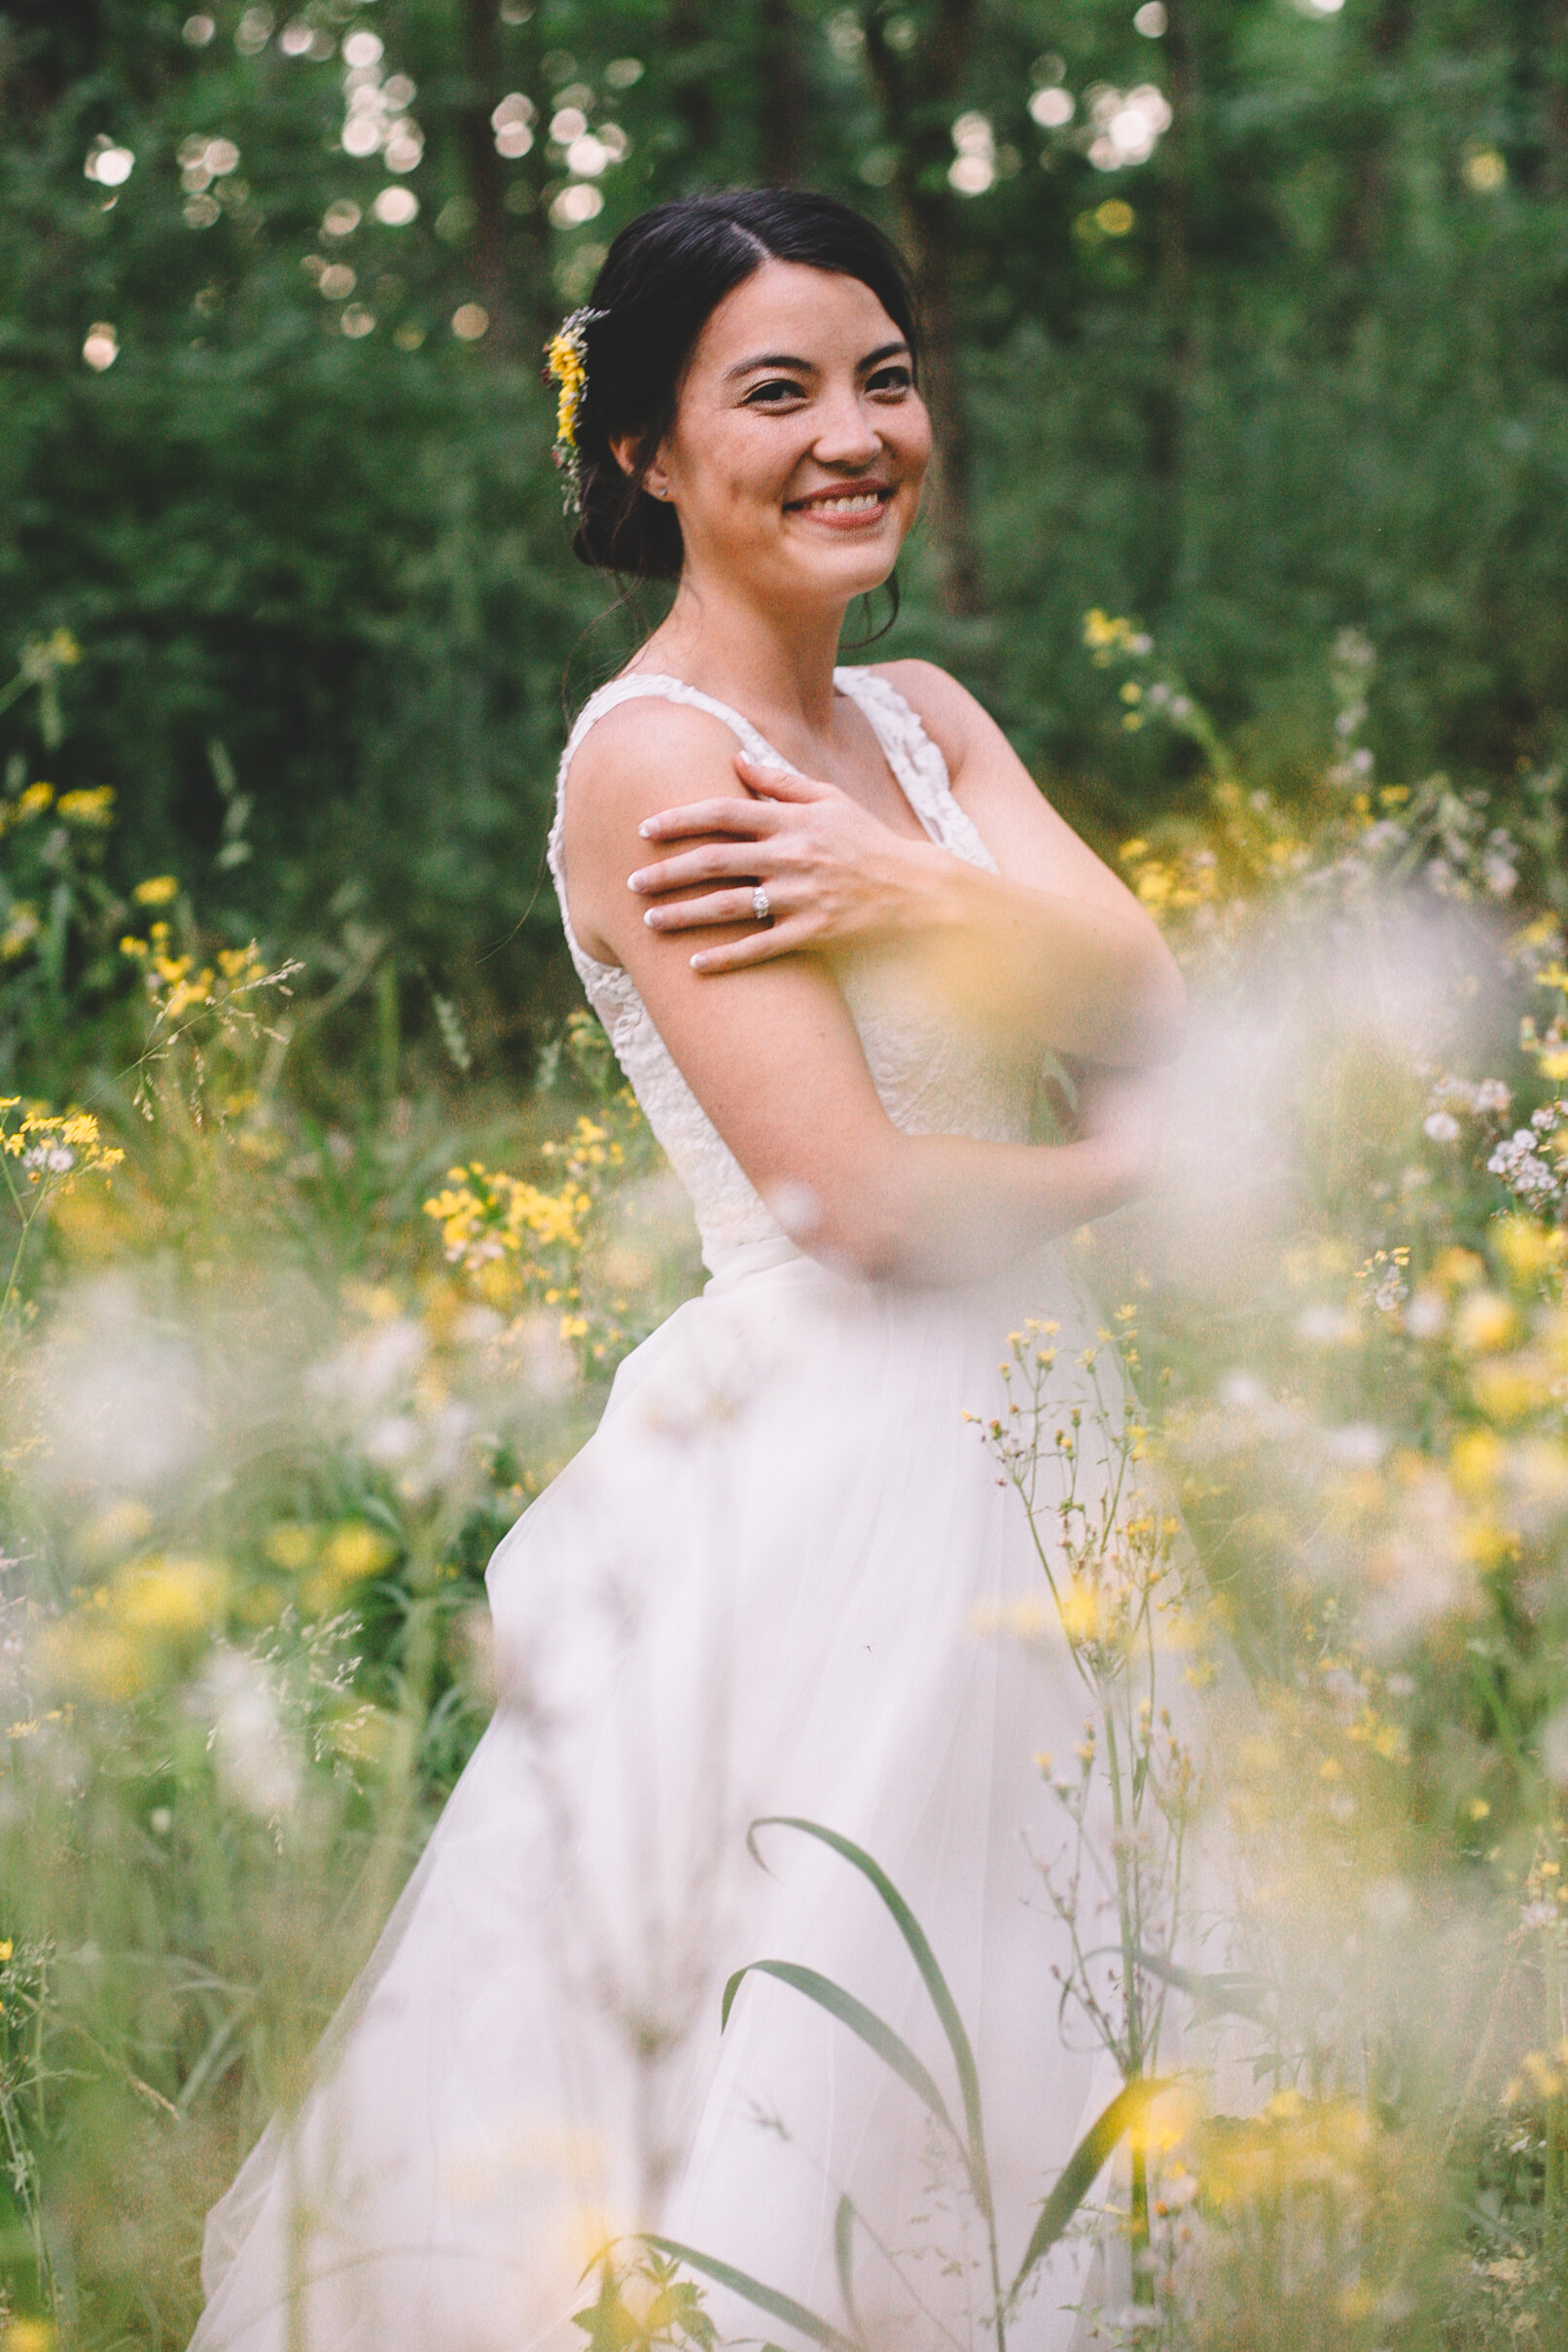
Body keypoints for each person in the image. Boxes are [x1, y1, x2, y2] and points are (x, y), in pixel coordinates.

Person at [190, 187, 1187, 2352]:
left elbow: (1150, 981)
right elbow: (857, 1200)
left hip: (1023, 1427)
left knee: (1024, 1982)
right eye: (774, 392)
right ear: (644, 450)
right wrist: (1126, 1156)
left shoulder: (920, 717)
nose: (853, 434)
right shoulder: (657, 762)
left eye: (885, 378)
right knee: (812, 2025)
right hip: (830, 1460)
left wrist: (901, 882)